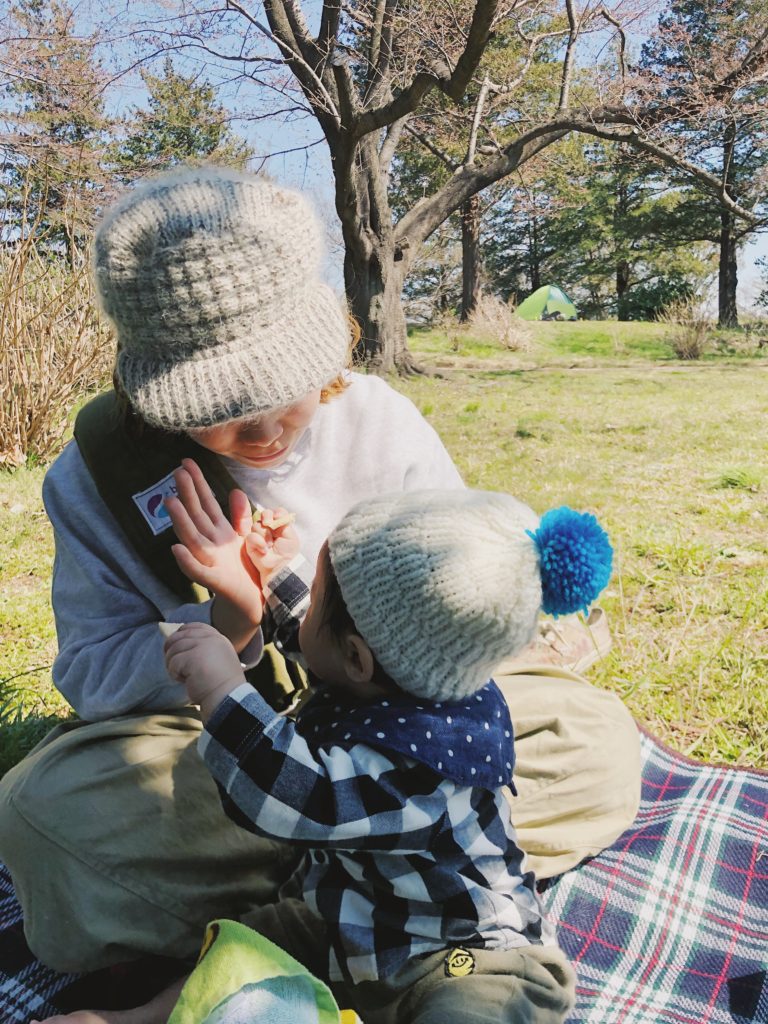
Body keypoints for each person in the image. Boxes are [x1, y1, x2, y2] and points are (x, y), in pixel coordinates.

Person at [0, 164, 640, 981]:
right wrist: (226, 623)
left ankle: (306, 889)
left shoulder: (378, 419)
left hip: (395, 740)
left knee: (595, 740)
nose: (264, 428)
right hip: (220, 745)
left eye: (281, 389)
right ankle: (398, 874)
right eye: (219, 406)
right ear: (155, 392)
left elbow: (460, 598)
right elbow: (92, 677)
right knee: (47, 822)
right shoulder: (95, 481)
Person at [158, 488, 610, 1023]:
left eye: (318, 584)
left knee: (470, 1011)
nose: (309, 596)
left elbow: (296, 795)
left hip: (463, 957)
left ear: (357, 657)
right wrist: (275, 568)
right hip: (352, 924)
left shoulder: (423, 769)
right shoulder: (410, 677)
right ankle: (140, 1016)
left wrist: (223, 691)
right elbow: (320, 632)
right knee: (249, 943)